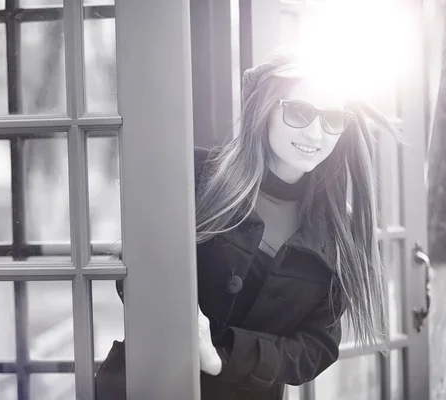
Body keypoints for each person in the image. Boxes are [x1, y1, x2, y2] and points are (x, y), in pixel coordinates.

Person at [95, 49, 396, 399]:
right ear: (265, 109)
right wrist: (179, 316)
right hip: (149, 383)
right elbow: (137, 269)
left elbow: (316, 346)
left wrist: (220, 359)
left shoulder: (341, 232)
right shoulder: (196, 174)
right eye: (299, 112)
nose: (315, 133)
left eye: (332, 119)